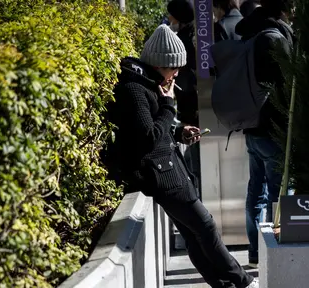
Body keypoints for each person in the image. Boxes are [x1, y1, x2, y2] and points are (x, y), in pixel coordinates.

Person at [103, 25, 258, 288]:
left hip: (169, 171)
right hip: (162, 176)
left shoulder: (148, 83)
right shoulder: (135, 89)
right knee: (205, 227)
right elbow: (148, 138)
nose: (176, 74)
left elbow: (155, 130)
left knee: (195, 234)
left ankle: (227, 286)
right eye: (173, 67)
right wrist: (168, 106)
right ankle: (242, 282)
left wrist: (178, 132)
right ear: (159, 63)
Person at [235, 0, 295, 268]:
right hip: (274, 127)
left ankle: (255, 252)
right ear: (284, 9)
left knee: (255, 192)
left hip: (252, 125)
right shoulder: (274, 37)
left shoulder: (251, 33)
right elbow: (288, 83)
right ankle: (277, 253)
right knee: (278, 194)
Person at [166, 0, 202, 196]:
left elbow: (187, 79)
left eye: (171, 15)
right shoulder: (195, 37)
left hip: (191, 108)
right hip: (195, 106)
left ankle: (197, 198)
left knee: (194, 161)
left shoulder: (181, 40)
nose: (169, 18)